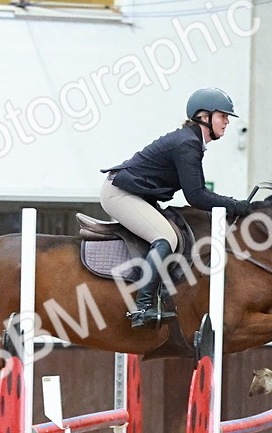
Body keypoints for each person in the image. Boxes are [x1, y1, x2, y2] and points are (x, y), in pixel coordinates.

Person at [101, 87, 253, 328]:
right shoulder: (187, 143)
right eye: (222, 116)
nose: (226, 122)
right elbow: (196, 196)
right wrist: (235, 205)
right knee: (166, 237)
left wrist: (234, 205)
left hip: (135, 194)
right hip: (119, 194)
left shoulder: (191, 140)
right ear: (204, 116)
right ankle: (141, 307)